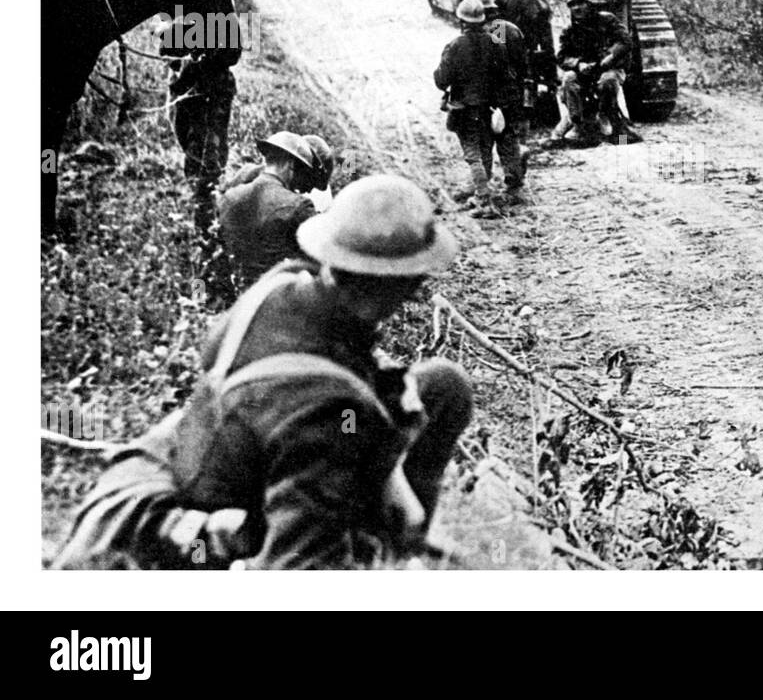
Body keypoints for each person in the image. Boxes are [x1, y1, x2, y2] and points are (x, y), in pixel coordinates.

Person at [53, 175, 472, 570]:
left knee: (442, 388)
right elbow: (295, 574)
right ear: (406, 285)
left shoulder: (285, 287)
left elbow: (319, 371)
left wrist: (382, 459)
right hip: (169, 537)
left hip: (165, 474)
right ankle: (376, 550)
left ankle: (387, 544)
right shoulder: (326, 411)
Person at [159, 0, 242, 242]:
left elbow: (231, 50)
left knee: (205, 162)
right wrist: (179, 62)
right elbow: (167, 41)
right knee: (190, 151)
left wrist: (198, 59)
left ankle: (205, 231)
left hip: (211, 90)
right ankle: (202, 221)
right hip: (183, 89)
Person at [433, 0, 510, 218]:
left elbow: (441, 80)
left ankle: (484, 200)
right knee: (485, 150)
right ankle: (480, 195)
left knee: (472, 154)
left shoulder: (455, 45)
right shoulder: (496, 42)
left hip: (464, 108)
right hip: (489, 107)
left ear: (462, 21)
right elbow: (504, 76)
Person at [216, 131, 317, 287]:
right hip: (272, 298)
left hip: (233, 294)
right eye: (300, 170)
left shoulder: (229, 197)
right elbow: (319, 259)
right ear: (290, 164)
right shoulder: (299, 206)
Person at [550, 0, 639, 146]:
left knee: (608, 81)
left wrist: (610, 57)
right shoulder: (569, 31)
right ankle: (578, 123)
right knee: (569, 79)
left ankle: (606, 117)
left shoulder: (607, 20)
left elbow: (625, 41)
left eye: (581, 3)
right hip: (585, 72)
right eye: (572, 5)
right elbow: (561, 57)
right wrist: (578, 64)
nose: (577, 8)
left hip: (609, 68)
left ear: (589, 5)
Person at [473, 0, 529, 207]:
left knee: (489, 139)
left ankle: (486, 185)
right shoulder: (511, 28)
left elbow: (498, 63)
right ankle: (514, 181)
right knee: (508, 138)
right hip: (512, 91)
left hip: (496, 93)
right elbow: (521, 64)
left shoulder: (495, 29)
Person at [495, 0, 555, 111]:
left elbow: (496, 31)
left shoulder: (499, 0)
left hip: (505, 53)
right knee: (529, 83)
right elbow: (547, 42)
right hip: (529, 55)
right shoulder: (540, 5)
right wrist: (551, 75)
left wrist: (500, 51)